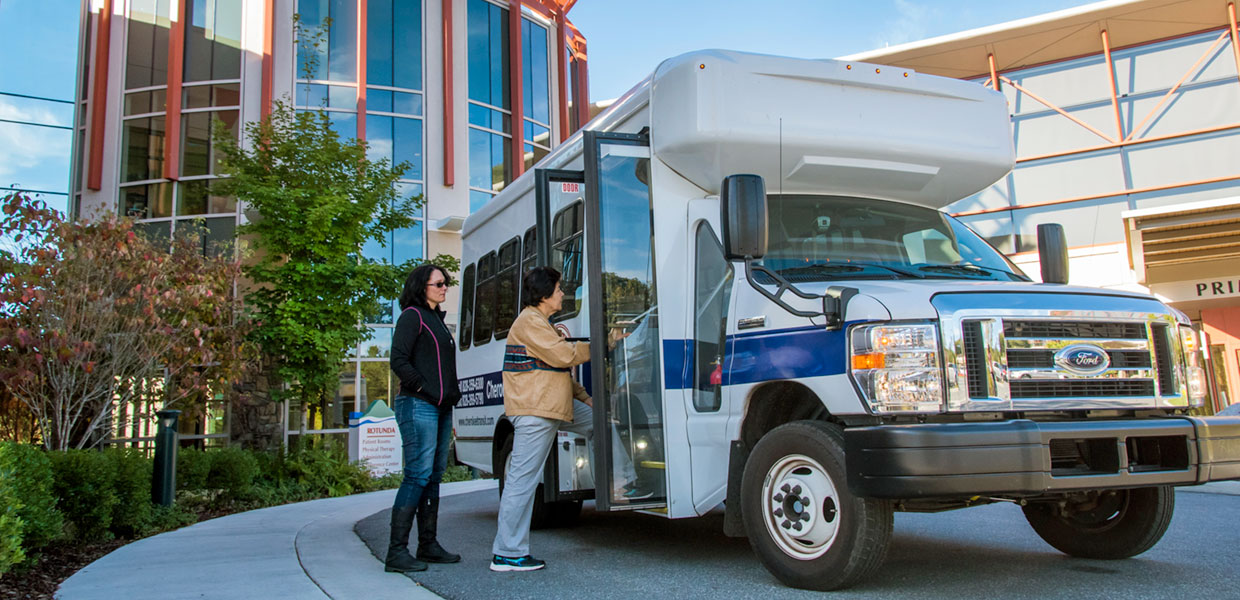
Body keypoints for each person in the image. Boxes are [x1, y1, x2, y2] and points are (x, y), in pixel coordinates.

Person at [491, 266, 589, 572]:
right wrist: (601, 342)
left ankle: (626, 481)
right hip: (535, 411)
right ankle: (507, 552)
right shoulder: (529, 322)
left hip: (553, 406)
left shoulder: (543, 323)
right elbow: (563, 356)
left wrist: (586, 398)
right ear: (545, 294)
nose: (562, 293)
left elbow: (557, 371)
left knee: (602, 423)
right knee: (522, 482)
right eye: (559, 289)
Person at [386, 264, 461, 573]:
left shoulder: (437, 321)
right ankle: (396, 552)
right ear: (422, 287)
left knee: (432, 476)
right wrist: (423, 387)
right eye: (438, 283)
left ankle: (427, 545)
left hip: (441, 407)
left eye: (446, 283)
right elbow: (398, 360)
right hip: (418, 405)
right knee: (417, 474)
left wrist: (447, 396)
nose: (445, 288)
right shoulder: (412, 316)